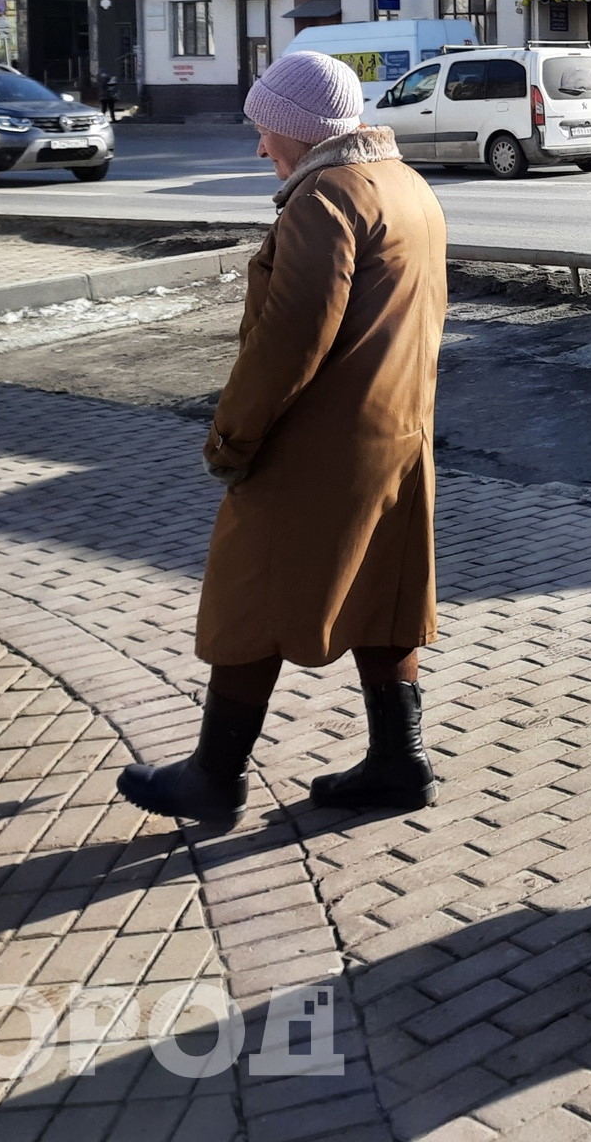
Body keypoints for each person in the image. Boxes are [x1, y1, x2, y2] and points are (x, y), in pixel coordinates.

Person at [117, 50, 448, 827]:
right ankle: (400, 761)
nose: (260, 146)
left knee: (249, 595)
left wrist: (233, 436)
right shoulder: (406, 187)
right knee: (384, 595)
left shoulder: (325, 200)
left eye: (265, 130)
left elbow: (288, 340)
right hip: (397, 434)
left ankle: (213, 775)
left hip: (315, 448)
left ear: (298, 130)